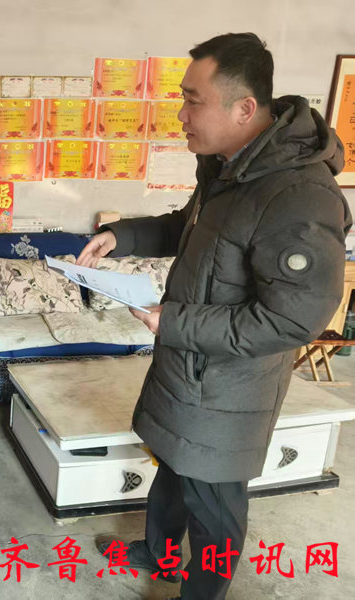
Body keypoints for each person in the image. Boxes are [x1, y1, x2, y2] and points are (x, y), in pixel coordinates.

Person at [79, 33, 351, 599]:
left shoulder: (299, 195)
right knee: (173, 469)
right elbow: (189, 227)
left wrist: (173, 322)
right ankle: (160, 555)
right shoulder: (228, 169)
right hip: (186, 370)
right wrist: (119, 236)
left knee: (214, 511)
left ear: (244, 109)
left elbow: (291, 320)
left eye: (192, 100)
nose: (180, 115)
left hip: (228, 388)